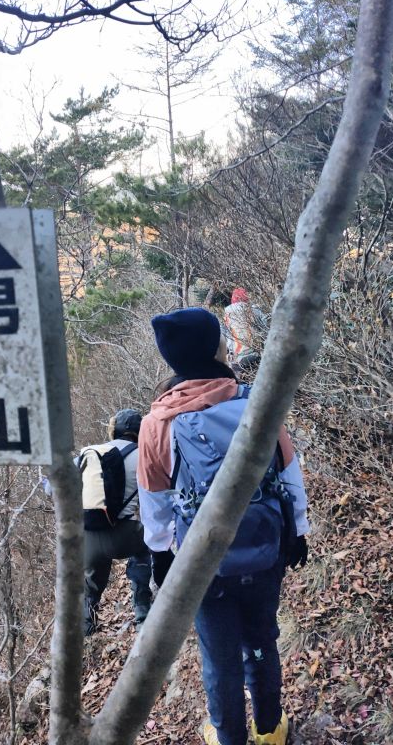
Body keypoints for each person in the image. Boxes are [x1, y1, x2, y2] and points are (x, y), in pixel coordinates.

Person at [137, 307, 309, 745]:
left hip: (201, 564)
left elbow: (154, 505)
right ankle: (270, 730)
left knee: (219, 658)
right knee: (262, 642)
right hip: (264, 548)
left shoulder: (158, 423)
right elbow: (289, 472)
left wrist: (161, 558)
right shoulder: (254, 400)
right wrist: (299, 531)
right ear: (217, 346)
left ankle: (229, 737)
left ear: (170, 358)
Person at [80, 408, 152, 635]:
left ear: (114, 431)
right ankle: (141, 610)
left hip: (88, 535)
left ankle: (87, 631)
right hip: (124, 536)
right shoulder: (144, 455)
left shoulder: (90, 454)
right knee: (146, 546)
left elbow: (55, 487)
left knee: (92, 583)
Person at [223, 287, 269, 372]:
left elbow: (228, 337)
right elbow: (265, 331)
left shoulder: (227, 315)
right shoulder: (255, 311)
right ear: (246, 298)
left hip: (237, 358)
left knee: (240, 383)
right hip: (256, 355)